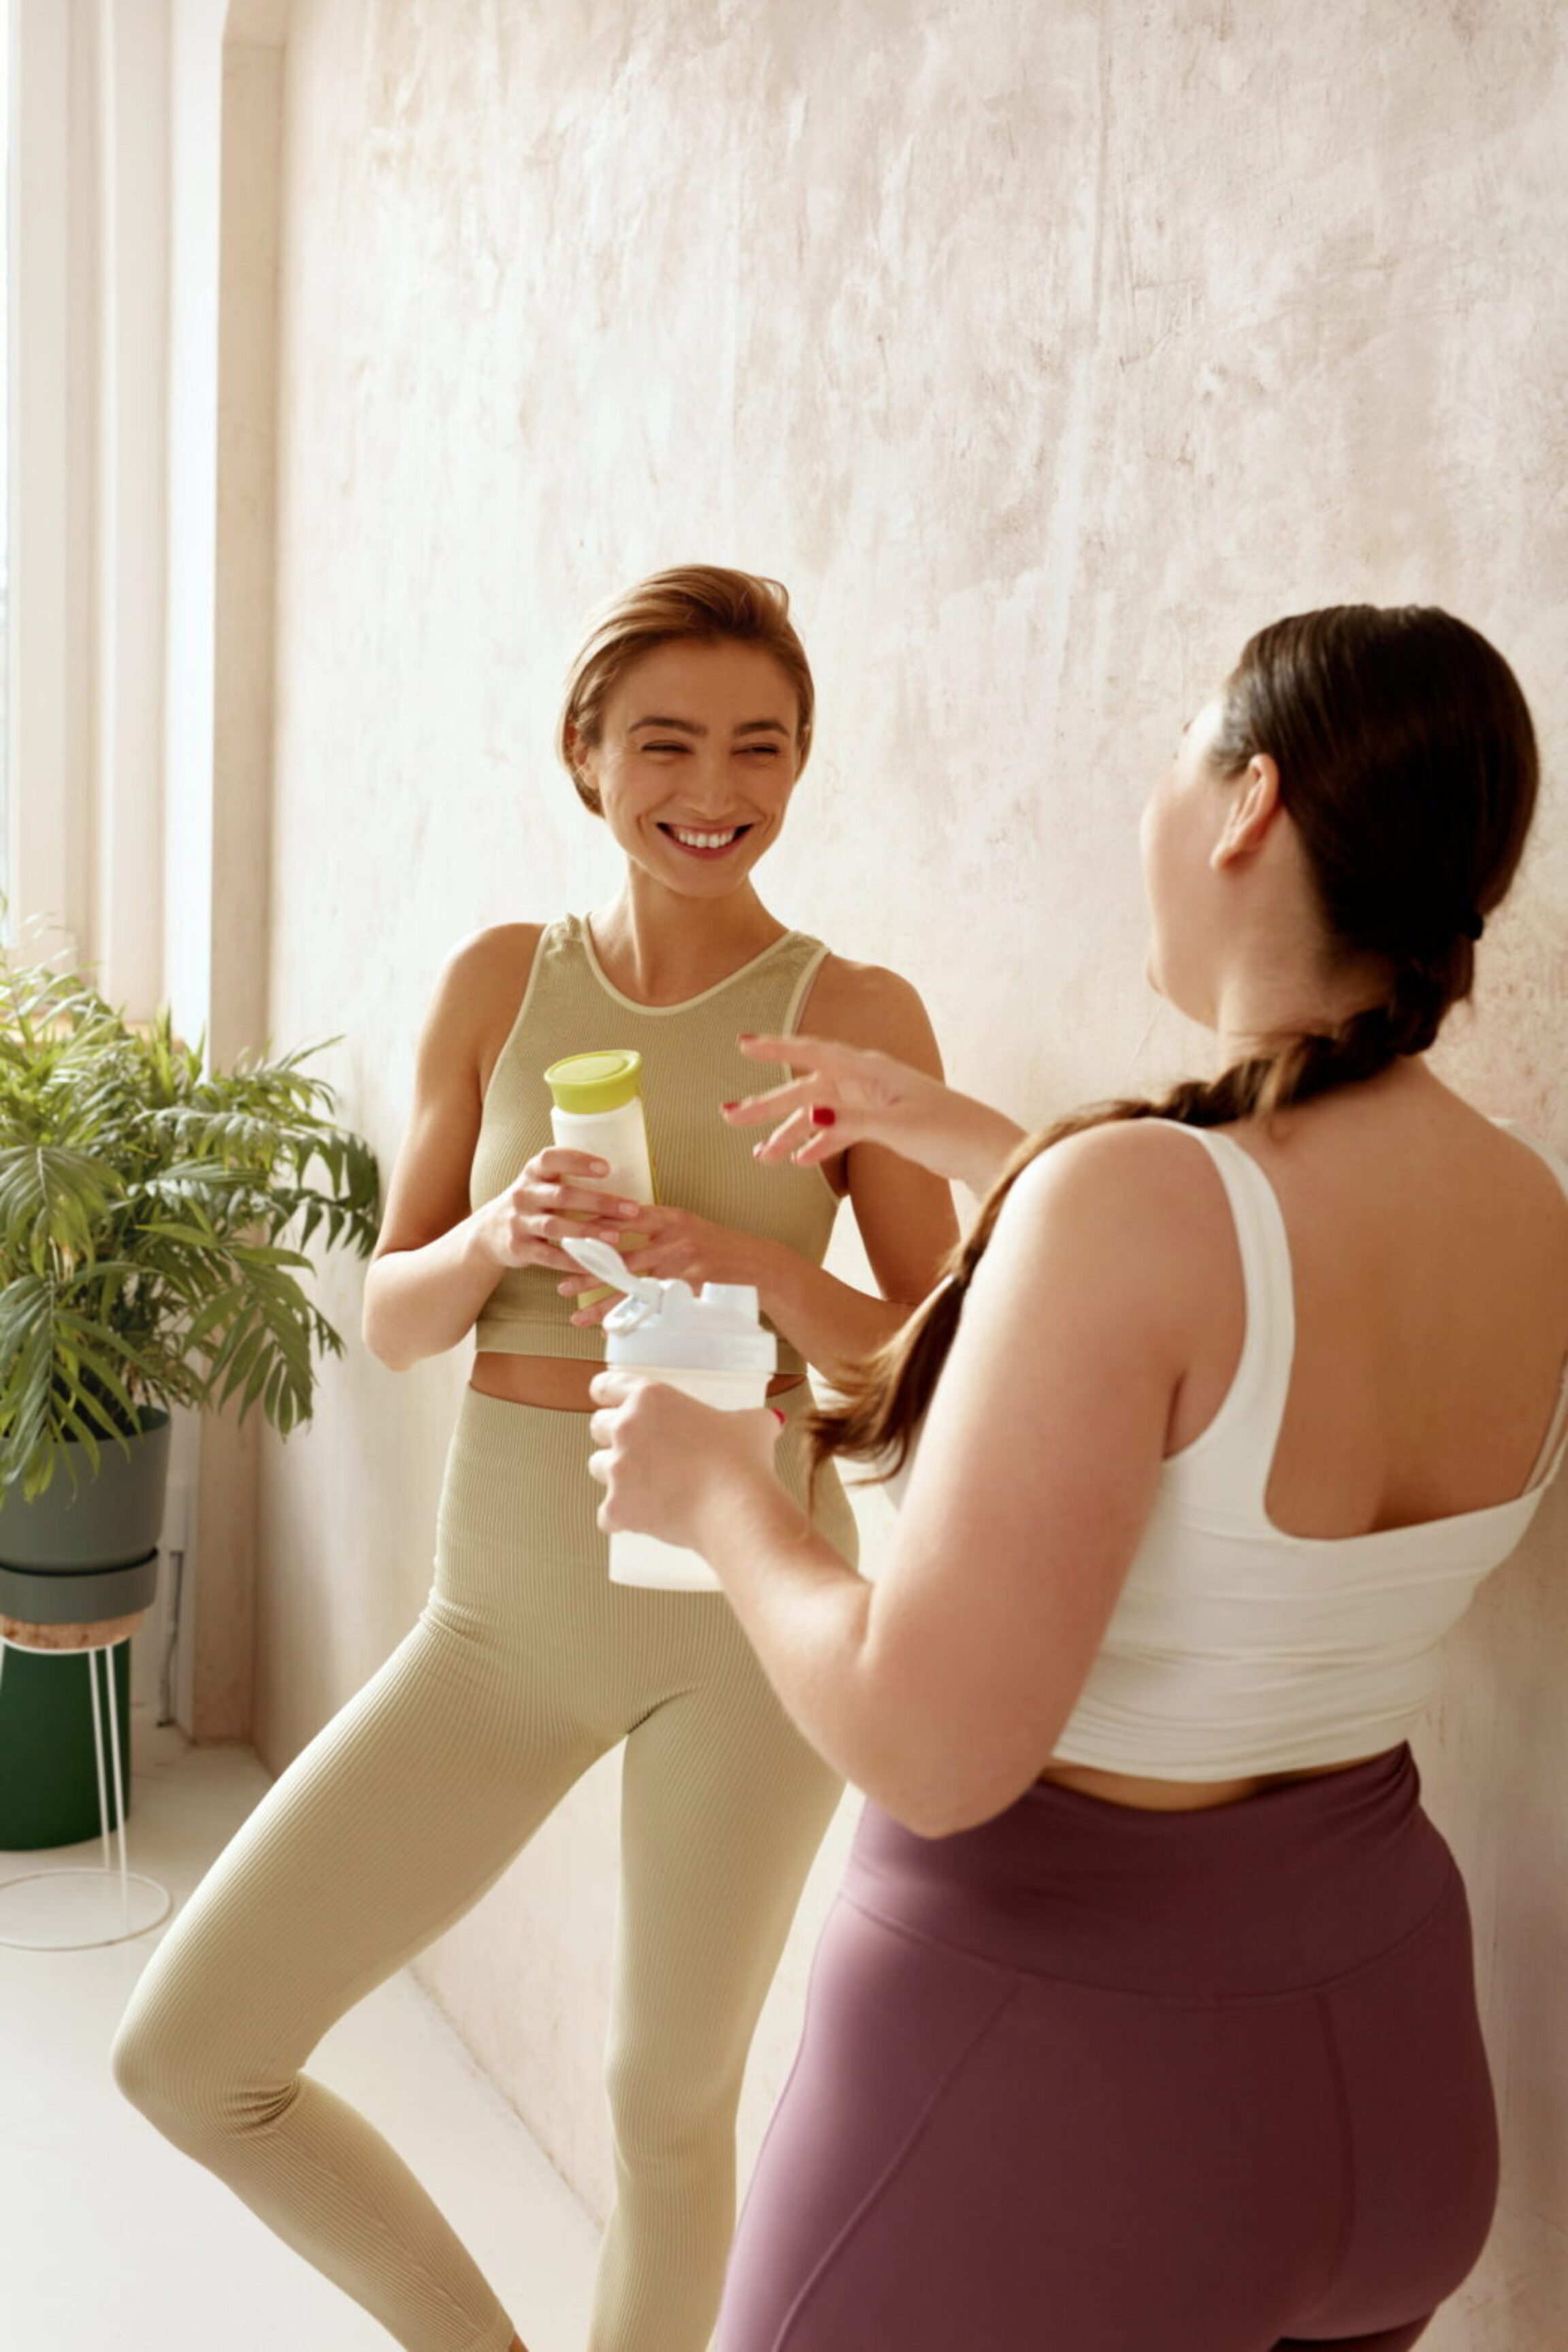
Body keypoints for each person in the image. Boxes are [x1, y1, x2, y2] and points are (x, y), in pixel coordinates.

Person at [585, 604, 1568, 2352]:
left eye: (1179, 756)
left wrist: (716, 1488)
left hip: (1071, 2097)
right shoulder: (1523, 1206)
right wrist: (970, 1147)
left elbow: (930, 1748)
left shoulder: (1132, 1206)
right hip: (1394, 2081)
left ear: (1250, 802)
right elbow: (1224, 1337)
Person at [110, 565, 959, 2352]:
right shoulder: (503, 983)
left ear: (803, 760)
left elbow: (927, 1358)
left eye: (761, 745)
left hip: (750, 1622)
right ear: (585, 754)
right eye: (667, 742)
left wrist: (751, 1265)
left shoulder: (859, 1017)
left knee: (666, 2107)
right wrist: (501, 1231)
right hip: (500, 1617)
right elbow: (395, 1317)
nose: (714, 787)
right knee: (191, 2054)